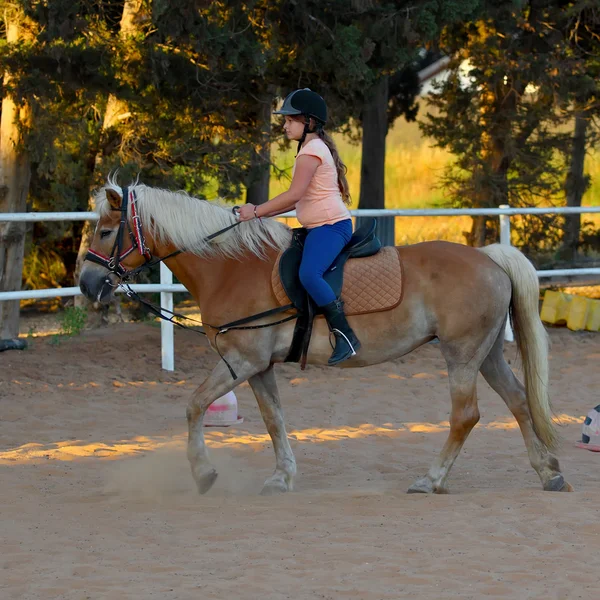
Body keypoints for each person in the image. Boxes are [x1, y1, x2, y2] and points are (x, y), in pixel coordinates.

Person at [237, 88, 360, 365]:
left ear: (310, 123)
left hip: (331, 227)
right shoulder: (310, 148)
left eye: (291, 120)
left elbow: (293, 195)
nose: (285, 125)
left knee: (309, 274)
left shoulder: (312, 150)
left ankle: (346, 335)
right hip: (319, 226)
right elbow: (296, 201)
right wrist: (257, 215)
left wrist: (255, 210)